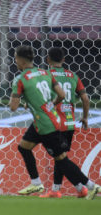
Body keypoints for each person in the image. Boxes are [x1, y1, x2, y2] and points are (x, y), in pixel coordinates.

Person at [10, 45, 100, 200]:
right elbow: (63, 94)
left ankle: (92, 186)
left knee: (61, 160)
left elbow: (13, 107)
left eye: (15, 58)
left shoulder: (20, 79)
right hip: (53, 119)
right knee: (24, 147)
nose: (15, 61)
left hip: (46, 124)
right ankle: (37, 183)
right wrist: (49, 105)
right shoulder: (45, 73)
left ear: (20, 60)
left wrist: (21, 98)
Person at [37, 47, 96, 198]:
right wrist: (85, 117)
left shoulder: (46, 75)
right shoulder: (73, 76)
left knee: (61, 158)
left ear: (47, 60)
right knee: (60, 157)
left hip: (54, 124)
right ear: (63, 60)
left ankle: (88, 186)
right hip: (69, 124)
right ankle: (68, 189)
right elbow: (85, 99)